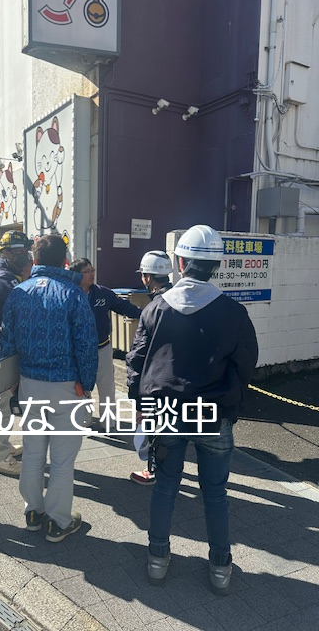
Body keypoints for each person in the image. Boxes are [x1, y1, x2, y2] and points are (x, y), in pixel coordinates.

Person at [126, 225, 258, 594]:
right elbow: (246, 363)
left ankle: (157, 560)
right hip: (213, 414)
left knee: (165, 486)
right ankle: (220, 567)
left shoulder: (156, 308)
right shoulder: (233, 312)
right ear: (216, 266)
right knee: (215, 493)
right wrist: (231, 402)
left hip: (167, 412)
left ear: (180, 263)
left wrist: (140, 406)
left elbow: (136, 362)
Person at [1, 234, 98, 542]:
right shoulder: (73, 294)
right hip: (66, 385)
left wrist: (12, 381)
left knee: (32, 452)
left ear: (35, 259)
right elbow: (86, 345)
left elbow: (8, 342)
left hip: (29, 383)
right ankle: (58, 520)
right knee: (62, 459)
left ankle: (33, 511)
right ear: (64, 260)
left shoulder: (18, 292)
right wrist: (88, 383)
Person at [0, 230, 33, 475]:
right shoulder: (4, 279)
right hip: (0, 346)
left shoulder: (8, 275)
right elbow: (27, 303)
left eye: (26, 250)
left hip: (2, 344)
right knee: (2, 401)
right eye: (20, 251)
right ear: (7, 253)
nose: (26, 255)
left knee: (0, 400)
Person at [69, 258, 141, 424]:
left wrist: (146, 314)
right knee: (80, 388)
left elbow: (124, 307)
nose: (91, 274)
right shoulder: (69, 294)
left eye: (92, 270)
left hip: (102, 348)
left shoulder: (102, 293)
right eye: (86, 271)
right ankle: (84, 420)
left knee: (107, 387)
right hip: (77, 352)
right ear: (76, 274)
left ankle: (109, 422)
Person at [127, 251, 173, 485]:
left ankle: (154, 472)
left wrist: (137, 401)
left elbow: (137, 356)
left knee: (155, 431)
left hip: (156, 383)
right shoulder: (184, 302)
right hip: (185, 384)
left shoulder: (153, 309)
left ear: (148, 277)